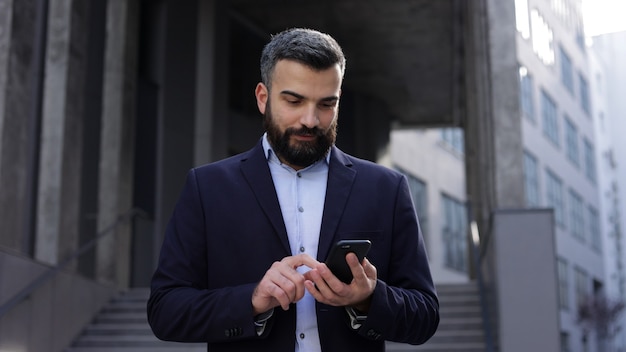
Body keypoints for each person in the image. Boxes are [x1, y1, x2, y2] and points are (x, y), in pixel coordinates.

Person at [147, 27, 439, 352]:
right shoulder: (207, 188)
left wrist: (368, 298)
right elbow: (165, 311)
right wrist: (253, 299)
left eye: (327, 104)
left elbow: (425, 315)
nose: (311, 119)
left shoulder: (386, 188)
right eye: (294, 100)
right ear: (263, 98)